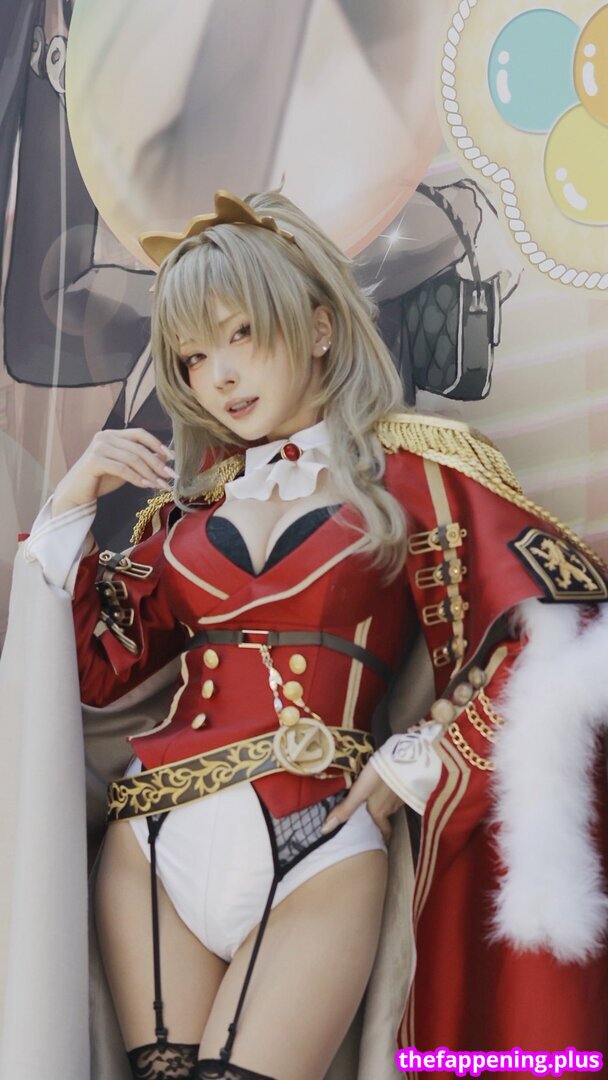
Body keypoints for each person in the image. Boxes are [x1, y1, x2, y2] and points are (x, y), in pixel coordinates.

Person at [3, 189, 608, 1080]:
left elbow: (563, 623)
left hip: (321, 842)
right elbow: (94, 672)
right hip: (151, 843)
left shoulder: (417, 471)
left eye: (241, 334)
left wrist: (420, 759)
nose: (220, 375)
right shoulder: (180, 515)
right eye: (194, 356)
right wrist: (68, 506)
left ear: (320, 327)